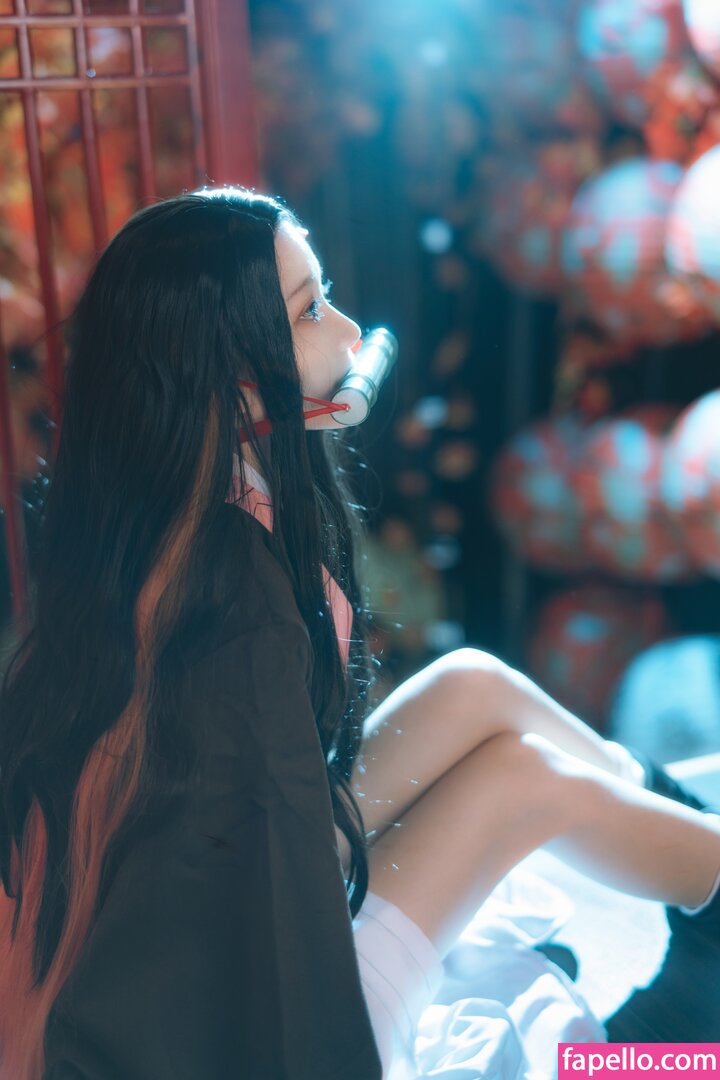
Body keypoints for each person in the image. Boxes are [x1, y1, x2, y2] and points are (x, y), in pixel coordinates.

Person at [0, 186, 717, 1080]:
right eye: (309, 313)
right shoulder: (231, 597)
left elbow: (251, 816)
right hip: (237, 1023)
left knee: (471, 684)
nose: (347, 333)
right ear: (226, 373)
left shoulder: (166, 501)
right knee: (522, 783)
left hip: (202, 908)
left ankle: (685, 827)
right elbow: (265, 895)